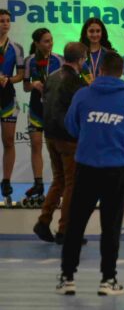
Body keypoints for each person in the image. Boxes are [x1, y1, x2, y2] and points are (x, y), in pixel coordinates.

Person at [56, 51, 124, 296]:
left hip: (86, 168)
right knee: (111, 226)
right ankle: (108, 279)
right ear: (121, 72)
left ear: (100, 70)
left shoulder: (83, 95)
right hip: (117, 171)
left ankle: (67, 278)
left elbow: (71, 127)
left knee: (75, 224)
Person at [33, 42, 87, 244]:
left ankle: (44, 221)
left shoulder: (52, 77)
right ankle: (65, 230)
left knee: (59, 180)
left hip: (50, 135)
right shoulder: (76, 83)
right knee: (72, 184)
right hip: (68, 138)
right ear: (81, 59)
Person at [23, 28, 64, 207]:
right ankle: (38, 184)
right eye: (46, 41)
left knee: (56, 149)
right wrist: (34, 84)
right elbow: (25, 87)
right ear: (37, 44)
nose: (50, 44)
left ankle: (60, 184)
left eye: (51, 40)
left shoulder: (59, 59)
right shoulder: (29, 60)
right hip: (36, 109)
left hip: (54, 111)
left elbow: (65, 83)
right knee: (36, 145)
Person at [0, 9, 24, 206]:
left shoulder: (16, 48)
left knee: (8, 141)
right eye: (1, 21)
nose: (5, 24)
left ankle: (6, 182)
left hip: (7, 97)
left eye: (8, 20)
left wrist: (8, 79)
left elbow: (21, 75)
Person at [79, 17, 113, 84]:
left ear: (102, 33)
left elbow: (113, 77)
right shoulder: (79, 53)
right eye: (91, 31)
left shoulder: (109, 54)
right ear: (86, 33)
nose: (95, 34)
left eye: (98, 31)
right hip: (84, 89)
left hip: (104, 88)